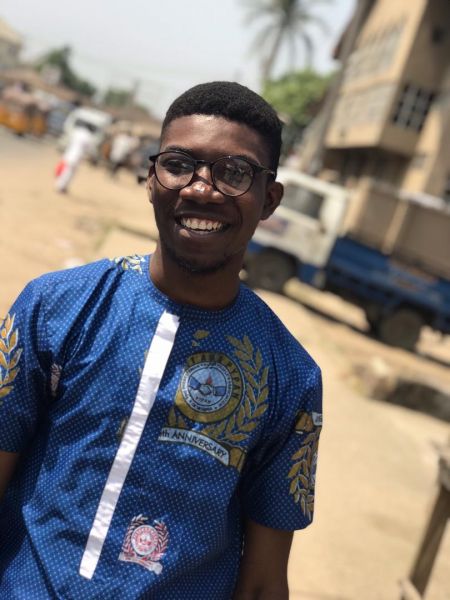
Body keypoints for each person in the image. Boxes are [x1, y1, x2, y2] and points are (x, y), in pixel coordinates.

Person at [0, 81, 322, 599]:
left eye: (234, 173)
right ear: (151, 179)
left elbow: (263, 582)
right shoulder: (57, 307)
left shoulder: (288, 377)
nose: (201, 189)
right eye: (178, 164)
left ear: (269, 199)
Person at [55, 120, 96, 193]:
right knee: (69, 172)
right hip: (77, 156)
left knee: (65, 170)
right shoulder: (89, 137)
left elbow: (68, 140)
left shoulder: (77, 132)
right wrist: (93, 157)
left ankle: (61, 186)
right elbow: (91, 149)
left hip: (69, 153)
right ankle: (61, 186)